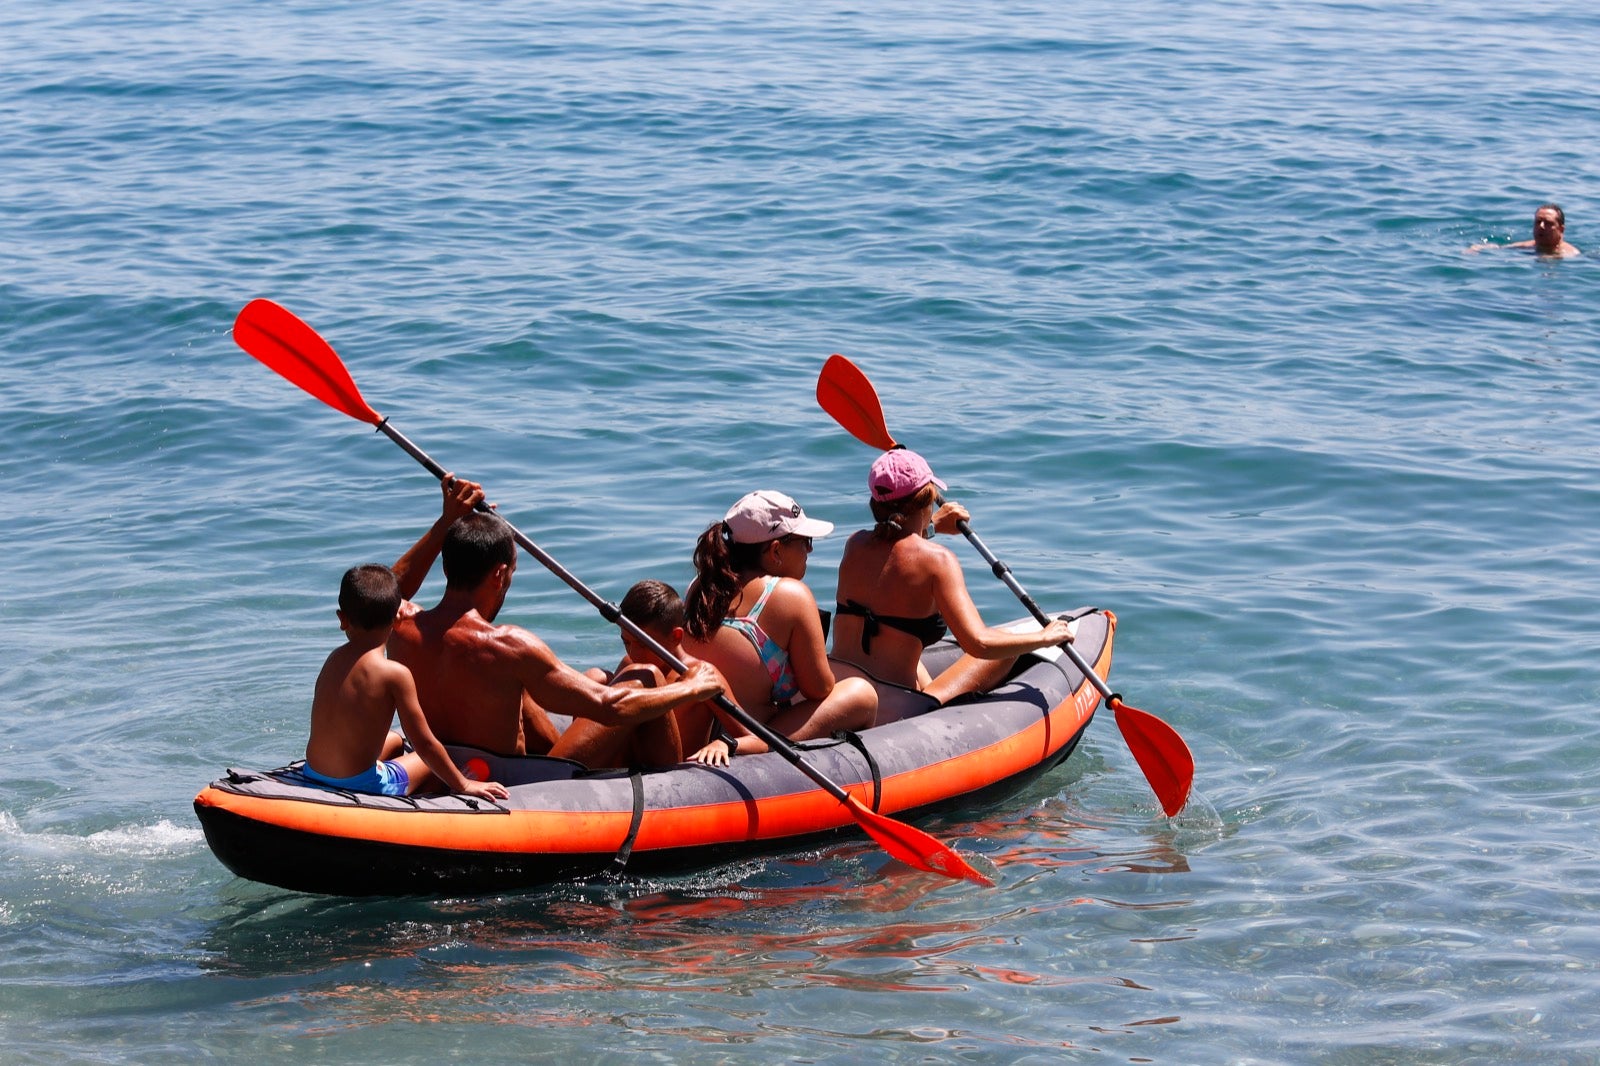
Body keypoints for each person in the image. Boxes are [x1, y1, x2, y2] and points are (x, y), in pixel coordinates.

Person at [387, 477, 725, 769]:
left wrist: (446, 521)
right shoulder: (508, 646)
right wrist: (690, 687)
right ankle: (665, 799)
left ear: (445, 568)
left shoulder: (402, 628)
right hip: (513, 786)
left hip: (446, 766)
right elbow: (611, 706)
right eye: (512, 575)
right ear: (500, 574)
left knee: (526, 692)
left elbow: (385, 587)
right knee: (646, 677)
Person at [829, 449, 1076, 723]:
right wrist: (1046, 637)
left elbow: (895, 544)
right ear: (928, 500)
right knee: (1004, 648)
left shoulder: (854, 545)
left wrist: (932, 527)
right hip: (892, 708)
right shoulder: (938, 561)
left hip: (840, 689)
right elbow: (979, 644)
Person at [682, 490, 877, 760]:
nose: (809, 550)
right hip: (748, 736)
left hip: (693, 732)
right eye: (805, 541)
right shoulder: (788, 594)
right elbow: (818, 689)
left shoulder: (701, 587)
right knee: (862, 694)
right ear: (775, 551)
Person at [304, 563, 509, 801]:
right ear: (398, 618)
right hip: (361, 784)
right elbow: (425, 744)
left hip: (313, 772)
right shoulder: (394, 674)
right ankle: (434, 800)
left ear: (342, 619)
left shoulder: (333, 658)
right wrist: (464, 784)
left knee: (393, 740)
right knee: (435, 762)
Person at [582, 579, 738, 767]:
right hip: (625, 769)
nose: (633, 653)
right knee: (594, 677)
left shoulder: (702, 675)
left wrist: (724, 743)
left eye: (642, 644)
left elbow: (756, 739)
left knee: (646, 678)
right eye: (626, 643)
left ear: (676, 637)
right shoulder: (629, 664)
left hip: (668, 776)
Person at [1469, 203, 1579, 257]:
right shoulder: (1528, 246)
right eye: (1538, 222)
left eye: (1548, 223)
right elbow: (1499, 248)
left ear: (1561, 229)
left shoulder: (1571, 254)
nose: (1541, 226)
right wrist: (1477, 247)